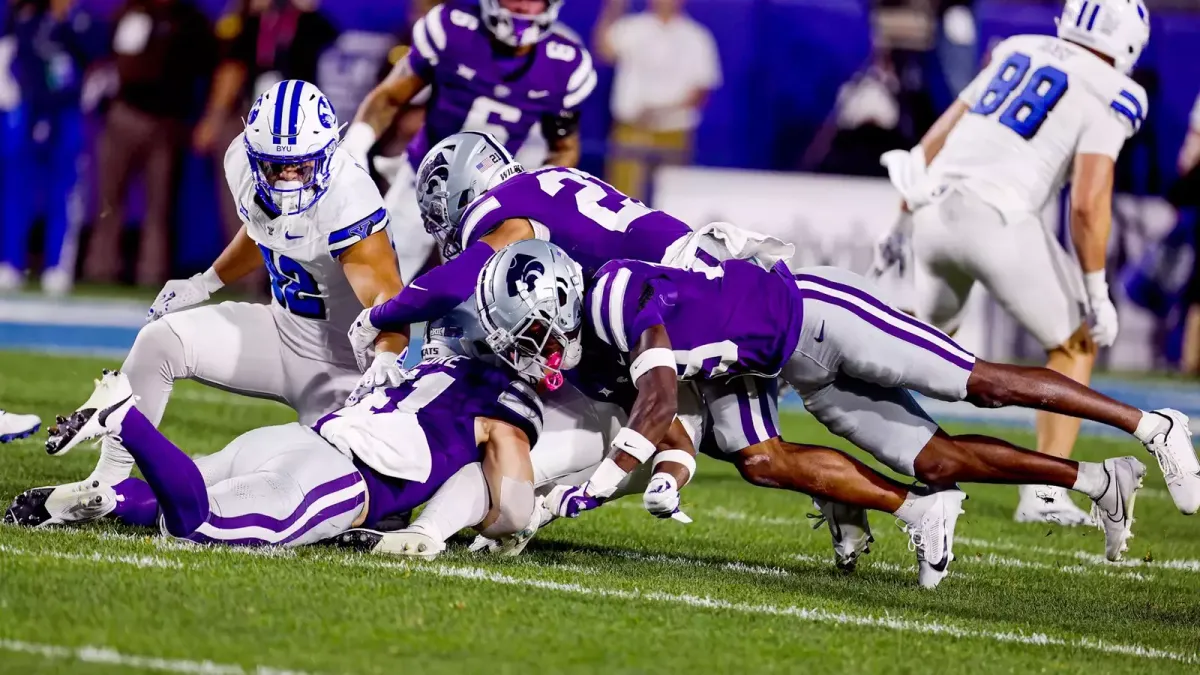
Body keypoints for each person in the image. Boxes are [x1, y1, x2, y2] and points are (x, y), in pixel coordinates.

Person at [532, 254, 1200, 585]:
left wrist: (587, 489)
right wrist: (661, 477)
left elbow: (651, 408)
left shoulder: (620, 301)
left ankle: (1150, 425)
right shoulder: (606, 329)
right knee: (933, 463)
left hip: (821, 313)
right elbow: (669, 426)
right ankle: (1098, 480)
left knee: (983, 384)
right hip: (789, 367)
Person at [49, 80, 407, 503]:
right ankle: (105, 483)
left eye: (300, 167)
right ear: (256, 157)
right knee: (160, 341)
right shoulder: (240, 160)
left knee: (336, 493)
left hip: (343, 367)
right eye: (276, 167)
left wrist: (385, 357)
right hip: (281, 331)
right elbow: (263, 231)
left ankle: (173, 491)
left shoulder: (350, 199)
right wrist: (207, 281)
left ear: (327, 156)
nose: (287, 179)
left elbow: (389, 303)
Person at [873, 0, 1152, 525]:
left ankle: (860, 447)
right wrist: (1096, 292)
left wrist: (899, 224)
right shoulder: (1113, 89)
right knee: (1075, 344)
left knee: (912, 350)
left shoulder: (1016, 50)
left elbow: (935, 140)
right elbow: (1089, 204)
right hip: (998, 218)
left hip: (934, 211)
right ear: (1129, 40)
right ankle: (1044, 495)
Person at [6, 357, 543, 555]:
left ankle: (114, 498)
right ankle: (125, 417)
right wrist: (531, 513)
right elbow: (511, 509)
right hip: (335, 477)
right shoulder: (506, 410)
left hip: (289, 441)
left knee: (189, 486)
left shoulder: (433, 368)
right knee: (195, 526)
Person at [340, 0, 597, 283]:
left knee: (481, 300)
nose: (523, 6)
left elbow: (564, 147)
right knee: (378, 282)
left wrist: (535, 197)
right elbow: (390, 97)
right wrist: (354, 147)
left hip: (493, 195)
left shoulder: (566, 62)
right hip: (421, 179)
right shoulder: (452, 27)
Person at [193, 0, 339, 285]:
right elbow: (232, 68)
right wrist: (214, 118)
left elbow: (327, 56)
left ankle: (296, 278)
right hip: (252, 118)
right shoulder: (250, 22)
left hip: (299, 126)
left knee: (297, 202)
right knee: (243, 200)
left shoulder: (313, 25)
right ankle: (248, 278)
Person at [83, 0, 217, 286]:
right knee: (109, 198)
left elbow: (206, 70)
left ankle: (152, 274)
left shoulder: (192, 22)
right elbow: (110, 56)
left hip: (166, 124)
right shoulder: (132, 13)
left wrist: (197, 114)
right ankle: (101, 269)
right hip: (125, 114)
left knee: (160, 205)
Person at [0, 0, 101, 295]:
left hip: (67, 113)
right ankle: (11, 262)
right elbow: (17, 60)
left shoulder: (82, 22)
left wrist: (66, 19)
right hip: (30, 110)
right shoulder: (26, 18)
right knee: (17, 190)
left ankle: (58, 266)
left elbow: (95, 58)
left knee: (65, 192)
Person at [592, 0, 721, 201]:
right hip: (632, 130)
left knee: (672, 200)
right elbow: (604, 51)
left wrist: (659, 112)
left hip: (673, 133)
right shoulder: (632, 28)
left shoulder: (696, 37)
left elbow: (701, 90)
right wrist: (614, 7)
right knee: (621, 200)